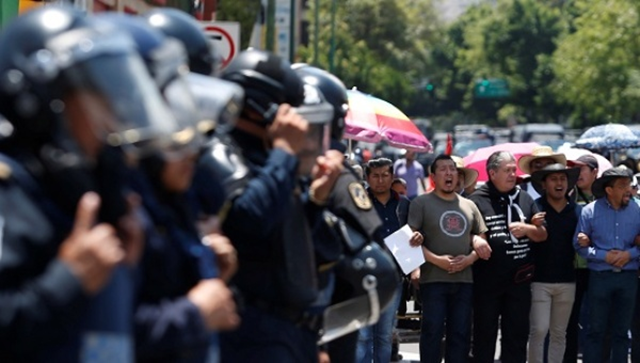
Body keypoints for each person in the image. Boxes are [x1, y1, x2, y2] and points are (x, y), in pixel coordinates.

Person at [0, 6, 183, 361]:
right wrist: (67, 280)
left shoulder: (82, 190)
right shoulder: (9, 193)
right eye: (93, 95)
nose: (111, 116)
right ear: (38, 100)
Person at [217, 49, 340, 362]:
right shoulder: (221, 153)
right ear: (261, 109)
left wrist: (315, 200)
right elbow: (249, 219)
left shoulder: (271, 158)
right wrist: (284, 150)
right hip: (251, 331)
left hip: (287, 330)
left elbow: (293, 243)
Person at [468, 151, 548, 363]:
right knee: (484, 336)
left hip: (519, 281)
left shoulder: (524, 197)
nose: (513, 174)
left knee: (517, 337)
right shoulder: (475, 200)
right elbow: (464, 233)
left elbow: (542, 234)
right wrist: (475, 239)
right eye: (507, 170)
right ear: (492, 173)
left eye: (514, 170)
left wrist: (527, 228)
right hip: (487, 281)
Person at [408, 154, 489, 363]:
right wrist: (437, 260)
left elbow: (481, 237)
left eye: (452, 169)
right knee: (432, 332)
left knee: (460, 335)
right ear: (433, 176)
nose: (449, 173)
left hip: (464, 280)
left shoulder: (469, 205)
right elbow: (410, 240)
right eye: (443, 169)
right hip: (433, 279)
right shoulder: (420, 203)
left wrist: (470, 259)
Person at [357, 157, 423, 363]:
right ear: (367, 178)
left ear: (393, 176)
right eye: (375, 176)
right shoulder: (358, 202)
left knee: (385, 334)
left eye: (385, 175)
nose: (380, 180)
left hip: (393, 277)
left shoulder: (404, 204)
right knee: (363, 335)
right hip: (363, 277)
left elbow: (414, 232)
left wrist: (417, 237)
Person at [574, 167, 640, 363]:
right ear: (609, 190)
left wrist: (630, 253)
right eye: (622, 186)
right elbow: (579, 245)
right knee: (595, 331)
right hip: (600, 278)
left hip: (628, 278)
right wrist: (604, 256)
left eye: (628, 185)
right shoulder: (590, 211)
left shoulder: (637, 210)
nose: (628, 189)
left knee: (622, 333)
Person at [528, 164, 582, 363]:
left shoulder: (578, 211)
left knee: (560, 333)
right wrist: (531, 226)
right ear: (544, 184)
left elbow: (584, 243)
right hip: (539, 280)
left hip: (568, 280)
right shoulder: (535, 208)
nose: (559, 183)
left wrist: (586, 240)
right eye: (554, 179)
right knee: (539, 330)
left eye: (563, 179)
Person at [564, 153, 599, 363]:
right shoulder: (566, 196)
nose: (578, 174)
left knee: (596, 321)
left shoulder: (606, 198)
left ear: (595, 172)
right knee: (569, 321)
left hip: (597, 267)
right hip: (572, 268)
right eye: (574, 169)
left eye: (582, 169)